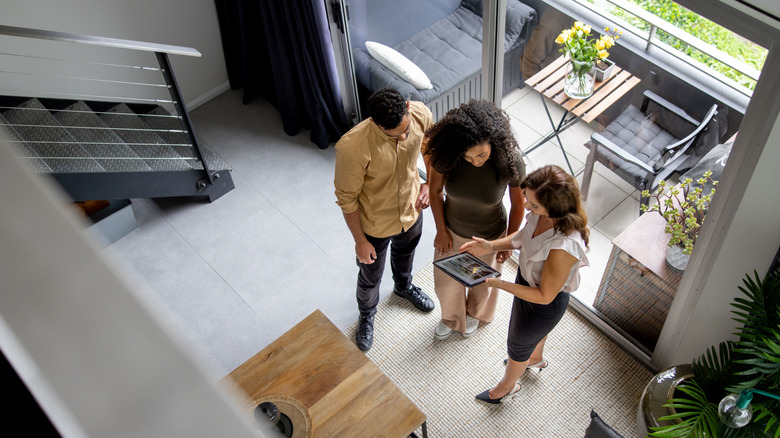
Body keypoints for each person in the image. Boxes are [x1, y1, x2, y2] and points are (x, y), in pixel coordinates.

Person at [460, 164, 589, 404]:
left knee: (517, 345)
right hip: (526, 284)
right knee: (530, 341)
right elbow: (521, 238)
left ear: (555, 207)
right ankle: (535, 359)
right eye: (527, 200)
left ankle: (506, 387)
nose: (527, 207)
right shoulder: (541, 214)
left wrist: (499, 284)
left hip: (543, 303)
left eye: (533, 205)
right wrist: (491, 245)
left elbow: (544, 296)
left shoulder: (565, 245)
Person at [334, 88, 436, 352]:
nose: (404, 136)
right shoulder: (352, 148)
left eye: (406, 130)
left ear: (406, 105)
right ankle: (367, 314)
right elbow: (347, 199)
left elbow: (430, 145)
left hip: (412, 211)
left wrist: (428, 183)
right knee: (370, 277)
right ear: (375, 123)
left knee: (406, 254)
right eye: (396, 135)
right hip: (375, 226)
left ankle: (404, 287)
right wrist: (359, 241)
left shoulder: (420, 113)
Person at [424, 100, 526, 340]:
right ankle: (451, 318)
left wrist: (508, 242)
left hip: (490, 235)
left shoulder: (511, 162)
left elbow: (519, 204)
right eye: (468, 158)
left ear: (494, 140)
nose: (476, 161)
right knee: (446, 283)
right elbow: (435, 191)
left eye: (481, 154)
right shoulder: (448, 156)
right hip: (451, 230)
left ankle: (475, 315)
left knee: (481, 284)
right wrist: (440, 230)